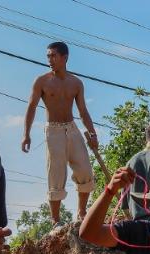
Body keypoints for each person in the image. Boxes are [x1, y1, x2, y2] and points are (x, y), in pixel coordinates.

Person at [22, 41, 99, 224]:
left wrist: (93, 134)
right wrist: (26, 134)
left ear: (65, 58)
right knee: (56, 175)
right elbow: (31, 107)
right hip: (53, 130)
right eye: (48, 56)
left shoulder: (76, 83)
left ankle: (81, 212)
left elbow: (83, 111)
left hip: (72, 128)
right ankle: (55, 221)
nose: (50, 59)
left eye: (53, 56)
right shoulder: (42, 81)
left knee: (85, 170)